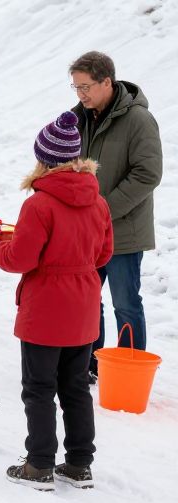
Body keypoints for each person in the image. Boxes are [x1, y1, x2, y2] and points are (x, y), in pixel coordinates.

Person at [0, 113, 112, 491]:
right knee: (75, 387)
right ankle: (79, 464)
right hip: (85, 308)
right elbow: (104, 253)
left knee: (39, 388)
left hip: (46, 310)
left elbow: (22, 259)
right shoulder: (98, 201)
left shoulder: (39, 205)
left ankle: (39, 465)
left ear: (45, 160)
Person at [68, 51, 162, 380]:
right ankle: (92, 363)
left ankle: (128, 369)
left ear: (106, 82)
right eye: (75, 87)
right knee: (88, 301)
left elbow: (147, 174)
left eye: (86, 87)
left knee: (125, 302)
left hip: (123, 232)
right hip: (86, 231)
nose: (81, 94)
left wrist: (103, 209)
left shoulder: (138, 120)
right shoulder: (76, 118)